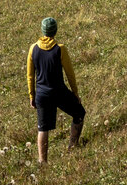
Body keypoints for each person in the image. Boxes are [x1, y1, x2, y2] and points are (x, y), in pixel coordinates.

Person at [25, 16, 84, 164]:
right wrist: (75, 93)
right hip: (59, 92)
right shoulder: (60, 49)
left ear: (42, 30)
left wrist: (32, 95)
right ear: (55, 31)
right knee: (79, 113)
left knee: (43, 128)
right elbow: (70, 73)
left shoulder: (33, 49)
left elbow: (30, 76)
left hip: (42, 95)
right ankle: (72, 146)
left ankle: (43, 161)